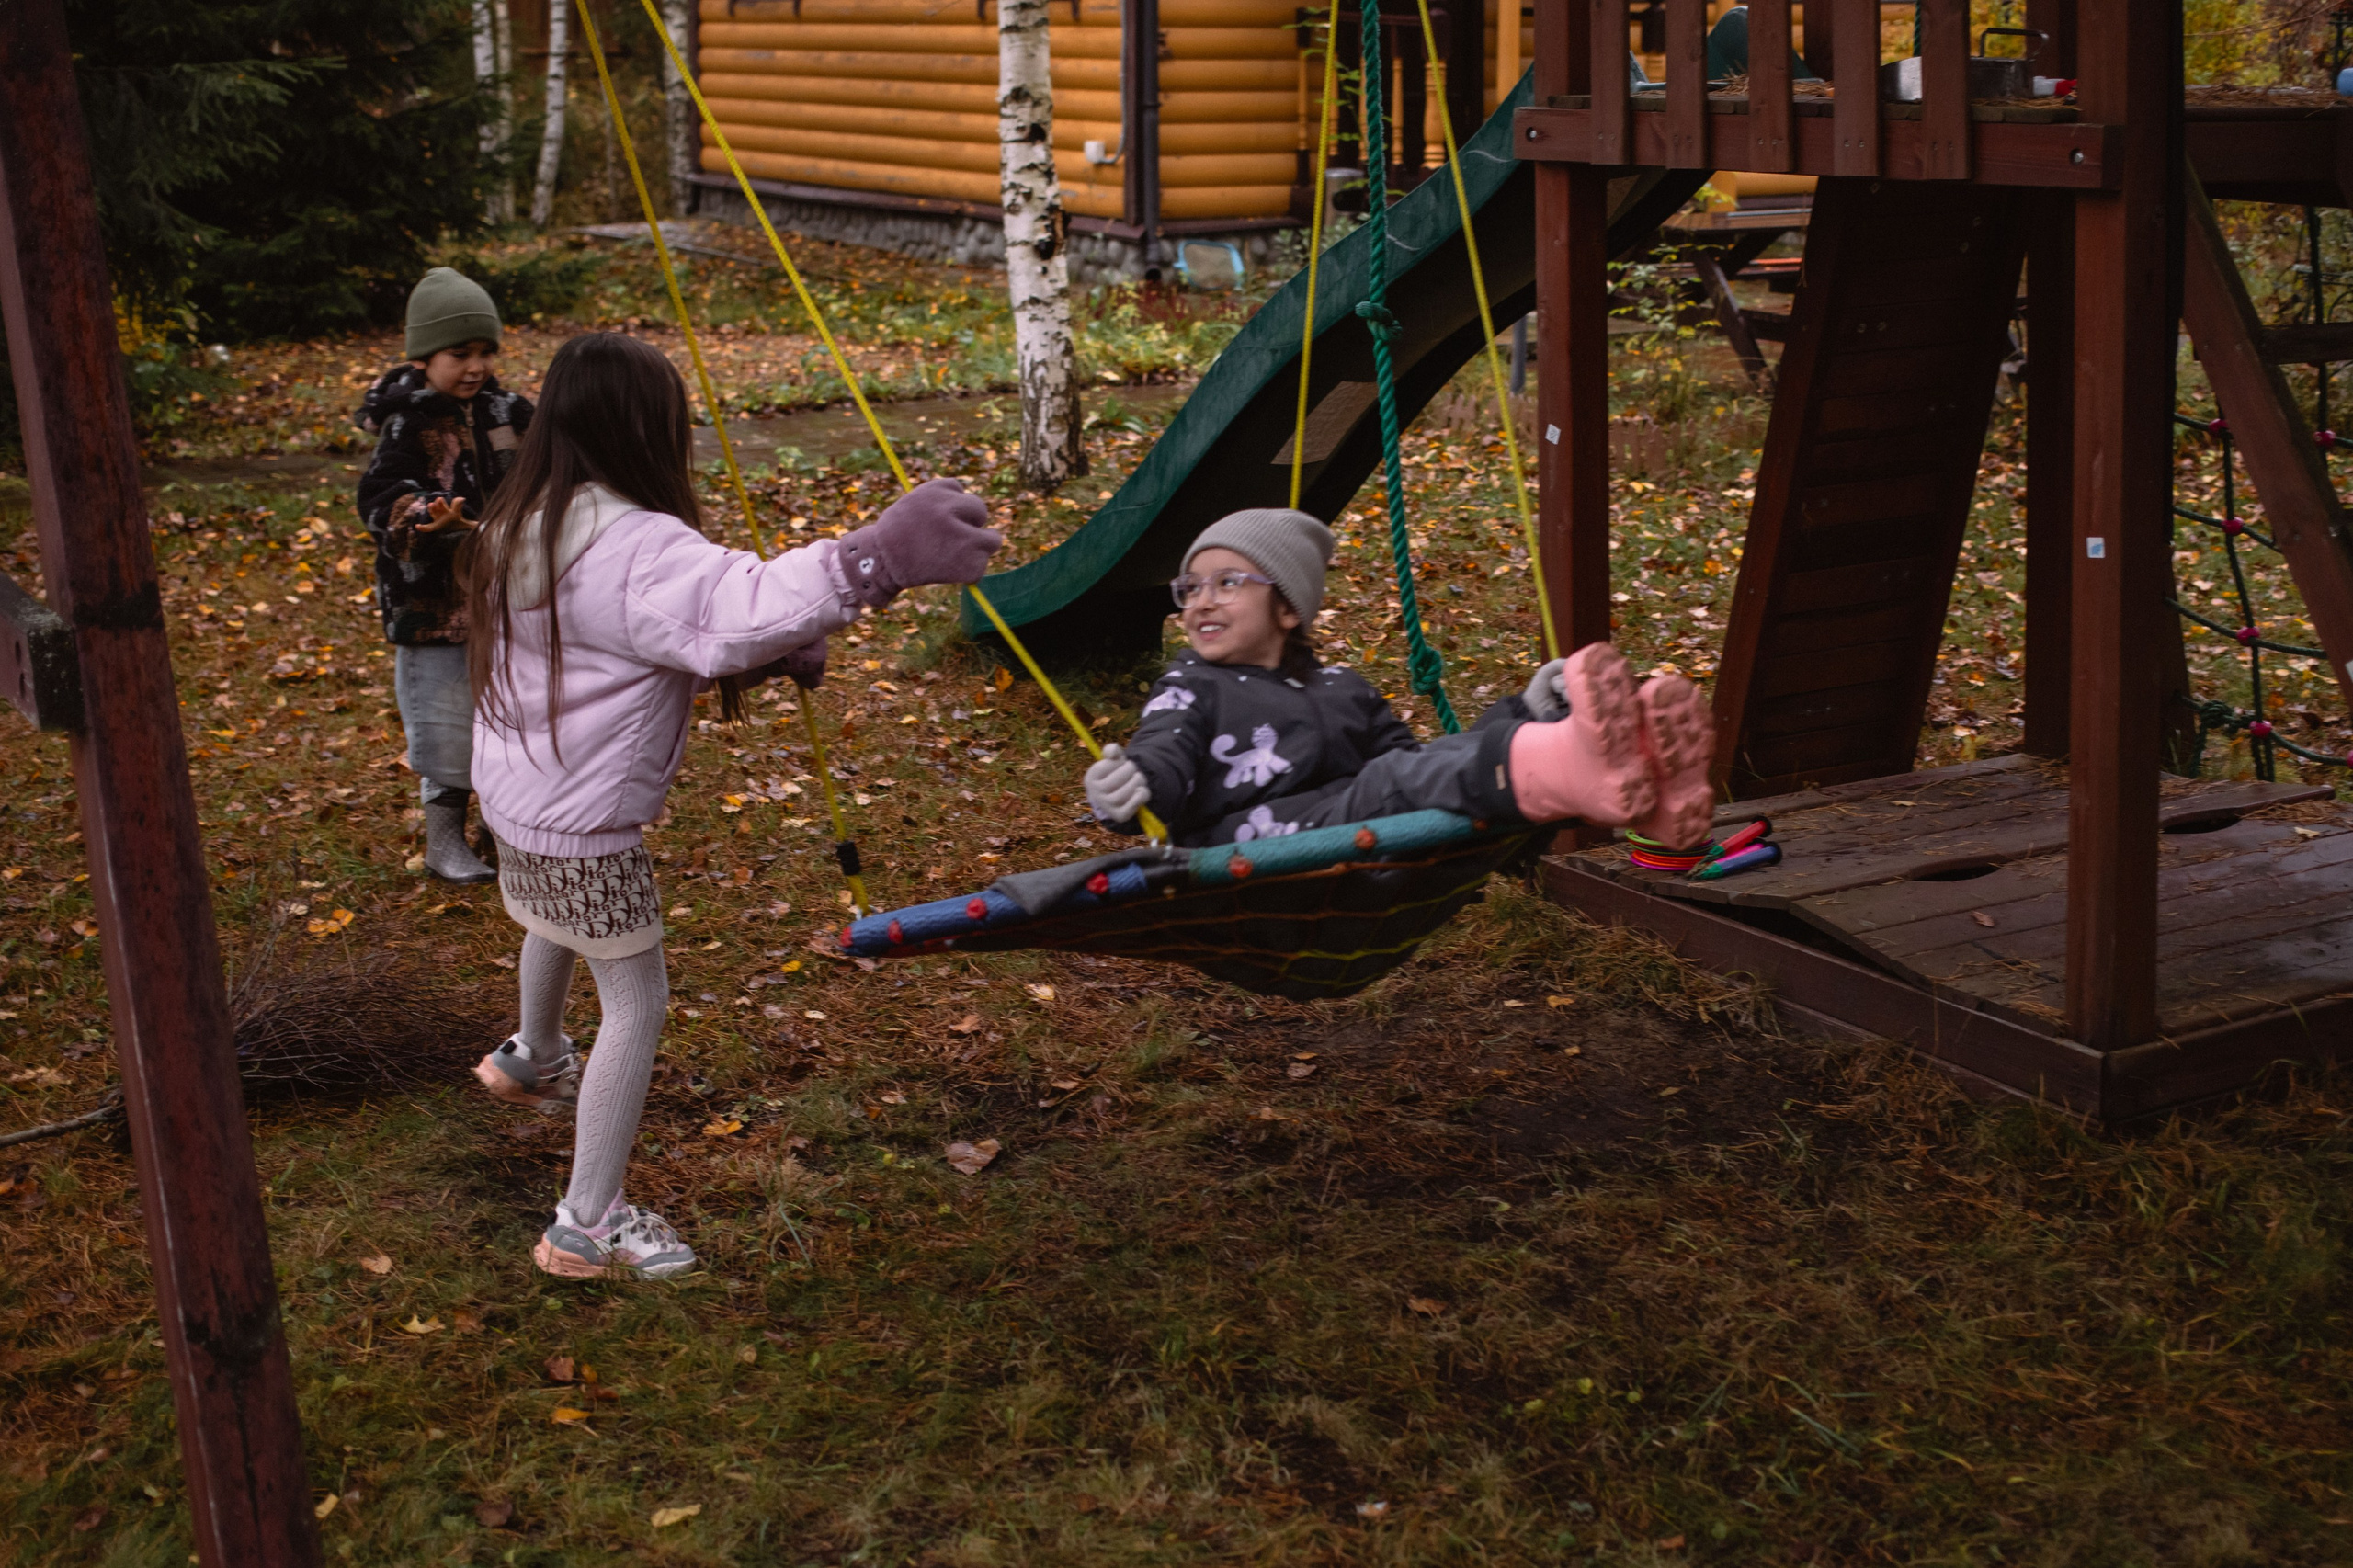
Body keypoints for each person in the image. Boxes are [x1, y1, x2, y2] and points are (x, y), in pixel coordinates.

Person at [463, 332, 1002, 1278]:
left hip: (518, 795)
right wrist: (873, 558)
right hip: (581, 817)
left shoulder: (525, 518)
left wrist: (760, 647)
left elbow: (630, 644)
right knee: (636, 995)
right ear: (644, 432)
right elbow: (728, 608)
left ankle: (532, 1051)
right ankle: (586, 1219)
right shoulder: (636, 542)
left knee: (553, 915)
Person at [1082, 508, 1714, 851]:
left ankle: (1638, 778)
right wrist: (1132, 788)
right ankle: (1569, 763)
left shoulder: (1343, 687)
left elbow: (1426, 767)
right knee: (1389, 782)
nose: (1199, 602)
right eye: (1189, 588)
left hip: (1362, 841)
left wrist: (1520, 709)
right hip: (1252, 853)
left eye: (1227, 583)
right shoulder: (1191, 683)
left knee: (1414, 772)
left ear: (1289, 608)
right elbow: (1163, 751)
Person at [356, 267, 533, 883]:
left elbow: (547, 468)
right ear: (425, 356)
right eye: (460, 354)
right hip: (433, 606)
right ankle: (443, 839)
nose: (476, 367)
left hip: (509, 598)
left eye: (486, 352)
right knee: (448, 720)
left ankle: (506, 825)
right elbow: (379, 495)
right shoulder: (409, 421)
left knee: (512, 713)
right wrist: (421, 515)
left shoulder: (507, 413)